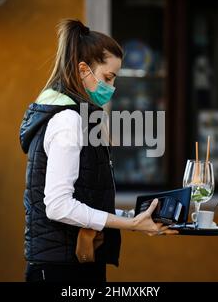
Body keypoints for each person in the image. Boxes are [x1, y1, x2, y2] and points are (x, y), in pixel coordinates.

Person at [19, 19, 178, 283]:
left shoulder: (75, 116)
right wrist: (130, 225)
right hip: (63, 270)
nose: (112, 88)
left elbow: (86, 199)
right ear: (83, 70)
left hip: (71, 263)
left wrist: (134, 217)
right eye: (107, 77)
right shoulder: (67, 120)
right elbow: (58, 206)